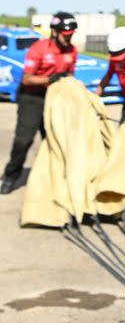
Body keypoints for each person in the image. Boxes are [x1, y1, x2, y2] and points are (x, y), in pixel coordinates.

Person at [1, 11, 78, 195]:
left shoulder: (72, 51)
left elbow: (69, 76)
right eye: (66, 35)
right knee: (23, 141)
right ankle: (11, 176)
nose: (69, 38)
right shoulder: (38, 49)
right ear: (54, 31)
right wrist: (49, 79)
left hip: (54, 100)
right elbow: (27, 79)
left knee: (54, 142)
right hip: (32, 98)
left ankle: (53, 179)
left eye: (71, 35)